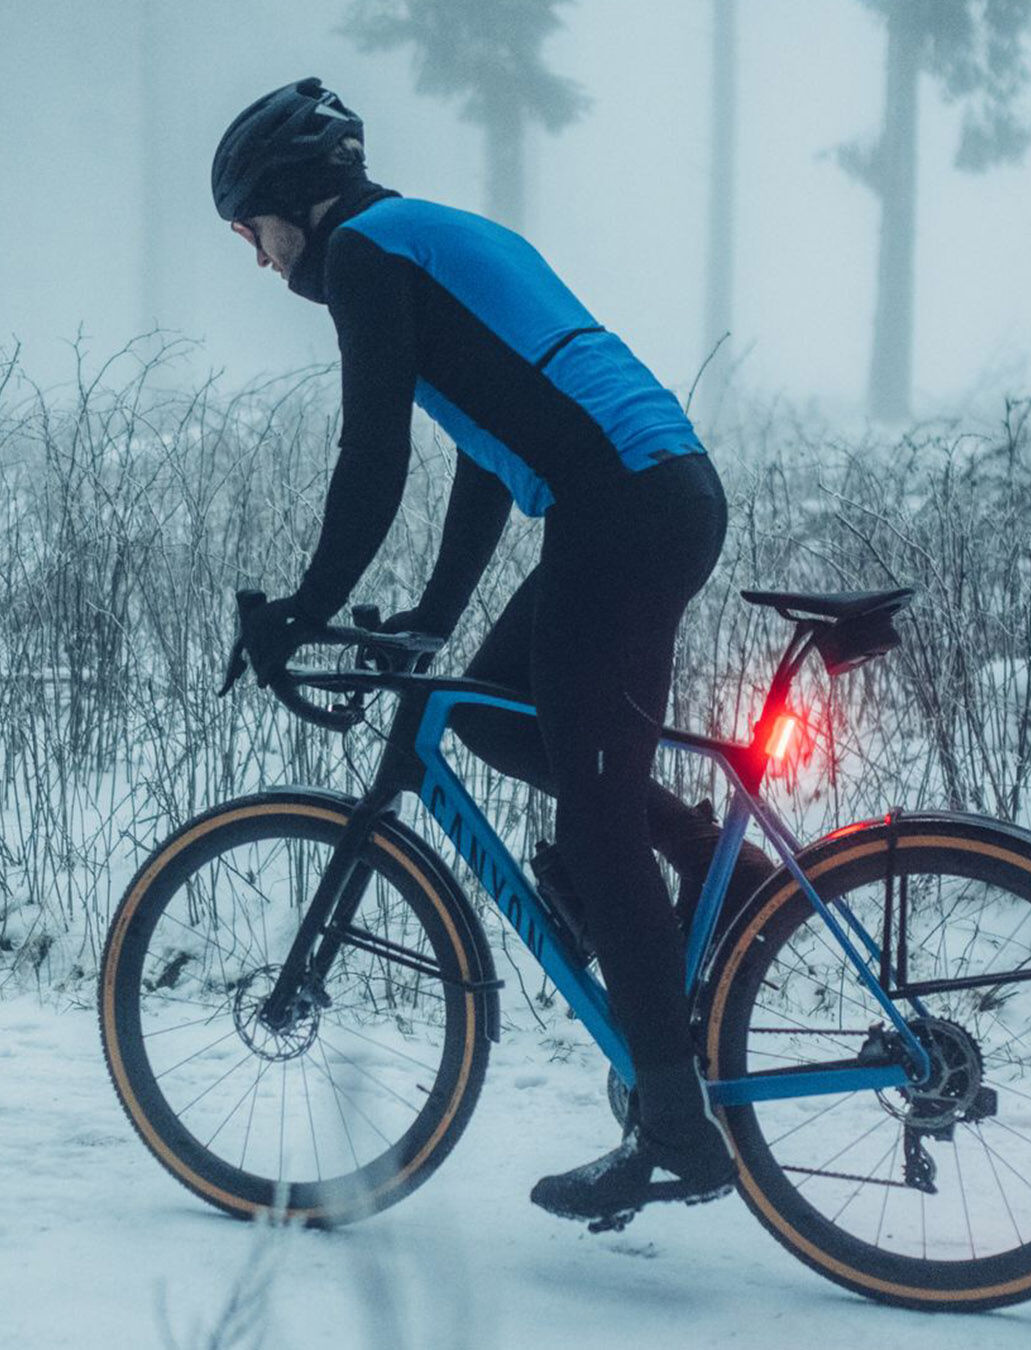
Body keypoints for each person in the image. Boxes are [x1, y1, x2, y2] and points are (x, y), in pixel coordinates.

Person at [215, 77, 773, 1230]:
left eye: (247, 232)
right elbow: (484, 448)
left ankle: (675, 1132)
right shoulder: (430, 238)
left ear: (288, 201)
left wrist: (304, 609)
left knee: (595, 837)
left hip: (618, 512)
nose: (259, 263)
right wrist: (429, 615)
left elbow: (370, 457)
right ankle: (720, 871)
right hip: (647, 496)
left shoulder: (368, 254)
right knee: (480, 713)